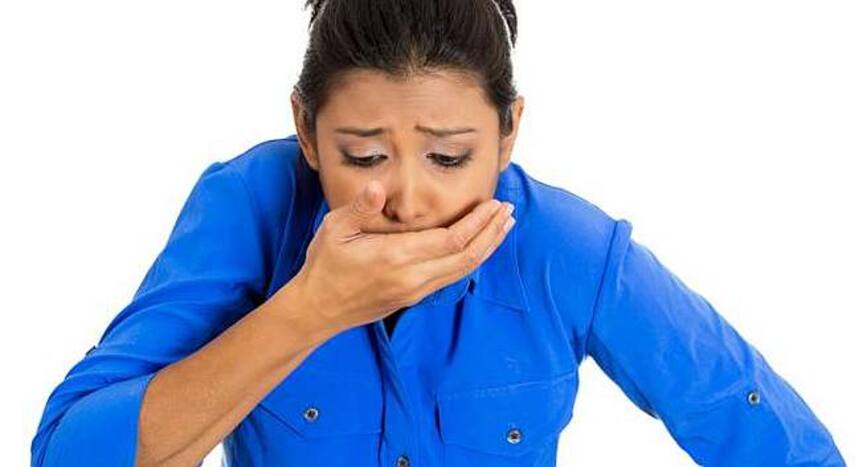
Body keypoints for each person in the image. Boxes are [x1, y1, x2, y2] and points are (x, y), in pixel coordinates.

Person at [31, 1, 846, 466]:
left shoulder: (564, 246)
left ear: (508, 131)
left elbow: (755, 423)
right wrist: (307, 311)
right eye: (363, 155)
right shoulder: (249, 206)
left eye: (450, 157)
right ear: (306, 131)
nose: (408, 198)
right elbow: (69, 450)